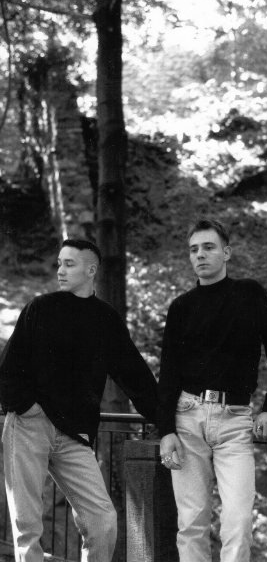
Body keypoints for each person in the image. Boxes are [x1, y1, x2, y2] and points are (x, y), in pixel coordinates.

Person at [0, 238, 158, 562]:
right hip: (29, 426)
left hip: (75, 436)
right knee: (27, 526)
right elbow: (7, 369)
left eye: (69, 264)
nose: (60, 270)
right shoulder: (39, 308)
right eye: (59, 263)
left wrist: (167, 420)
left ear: (91, 270)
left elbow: (136, 376)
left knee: (103, 520)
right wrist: (28, 408)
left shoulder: (106, 319)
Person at [158, 218, 267, 562]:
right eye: (194, 250)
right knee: (191, 523)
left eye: (208, 247)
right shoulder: (181, 307)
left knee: (238, 520)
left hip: (235, 420)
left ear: (226, 253)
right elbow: (168, 373)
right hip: (187, 419)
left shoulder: (250, 294)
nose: (200, 255)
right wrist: (166, 430)